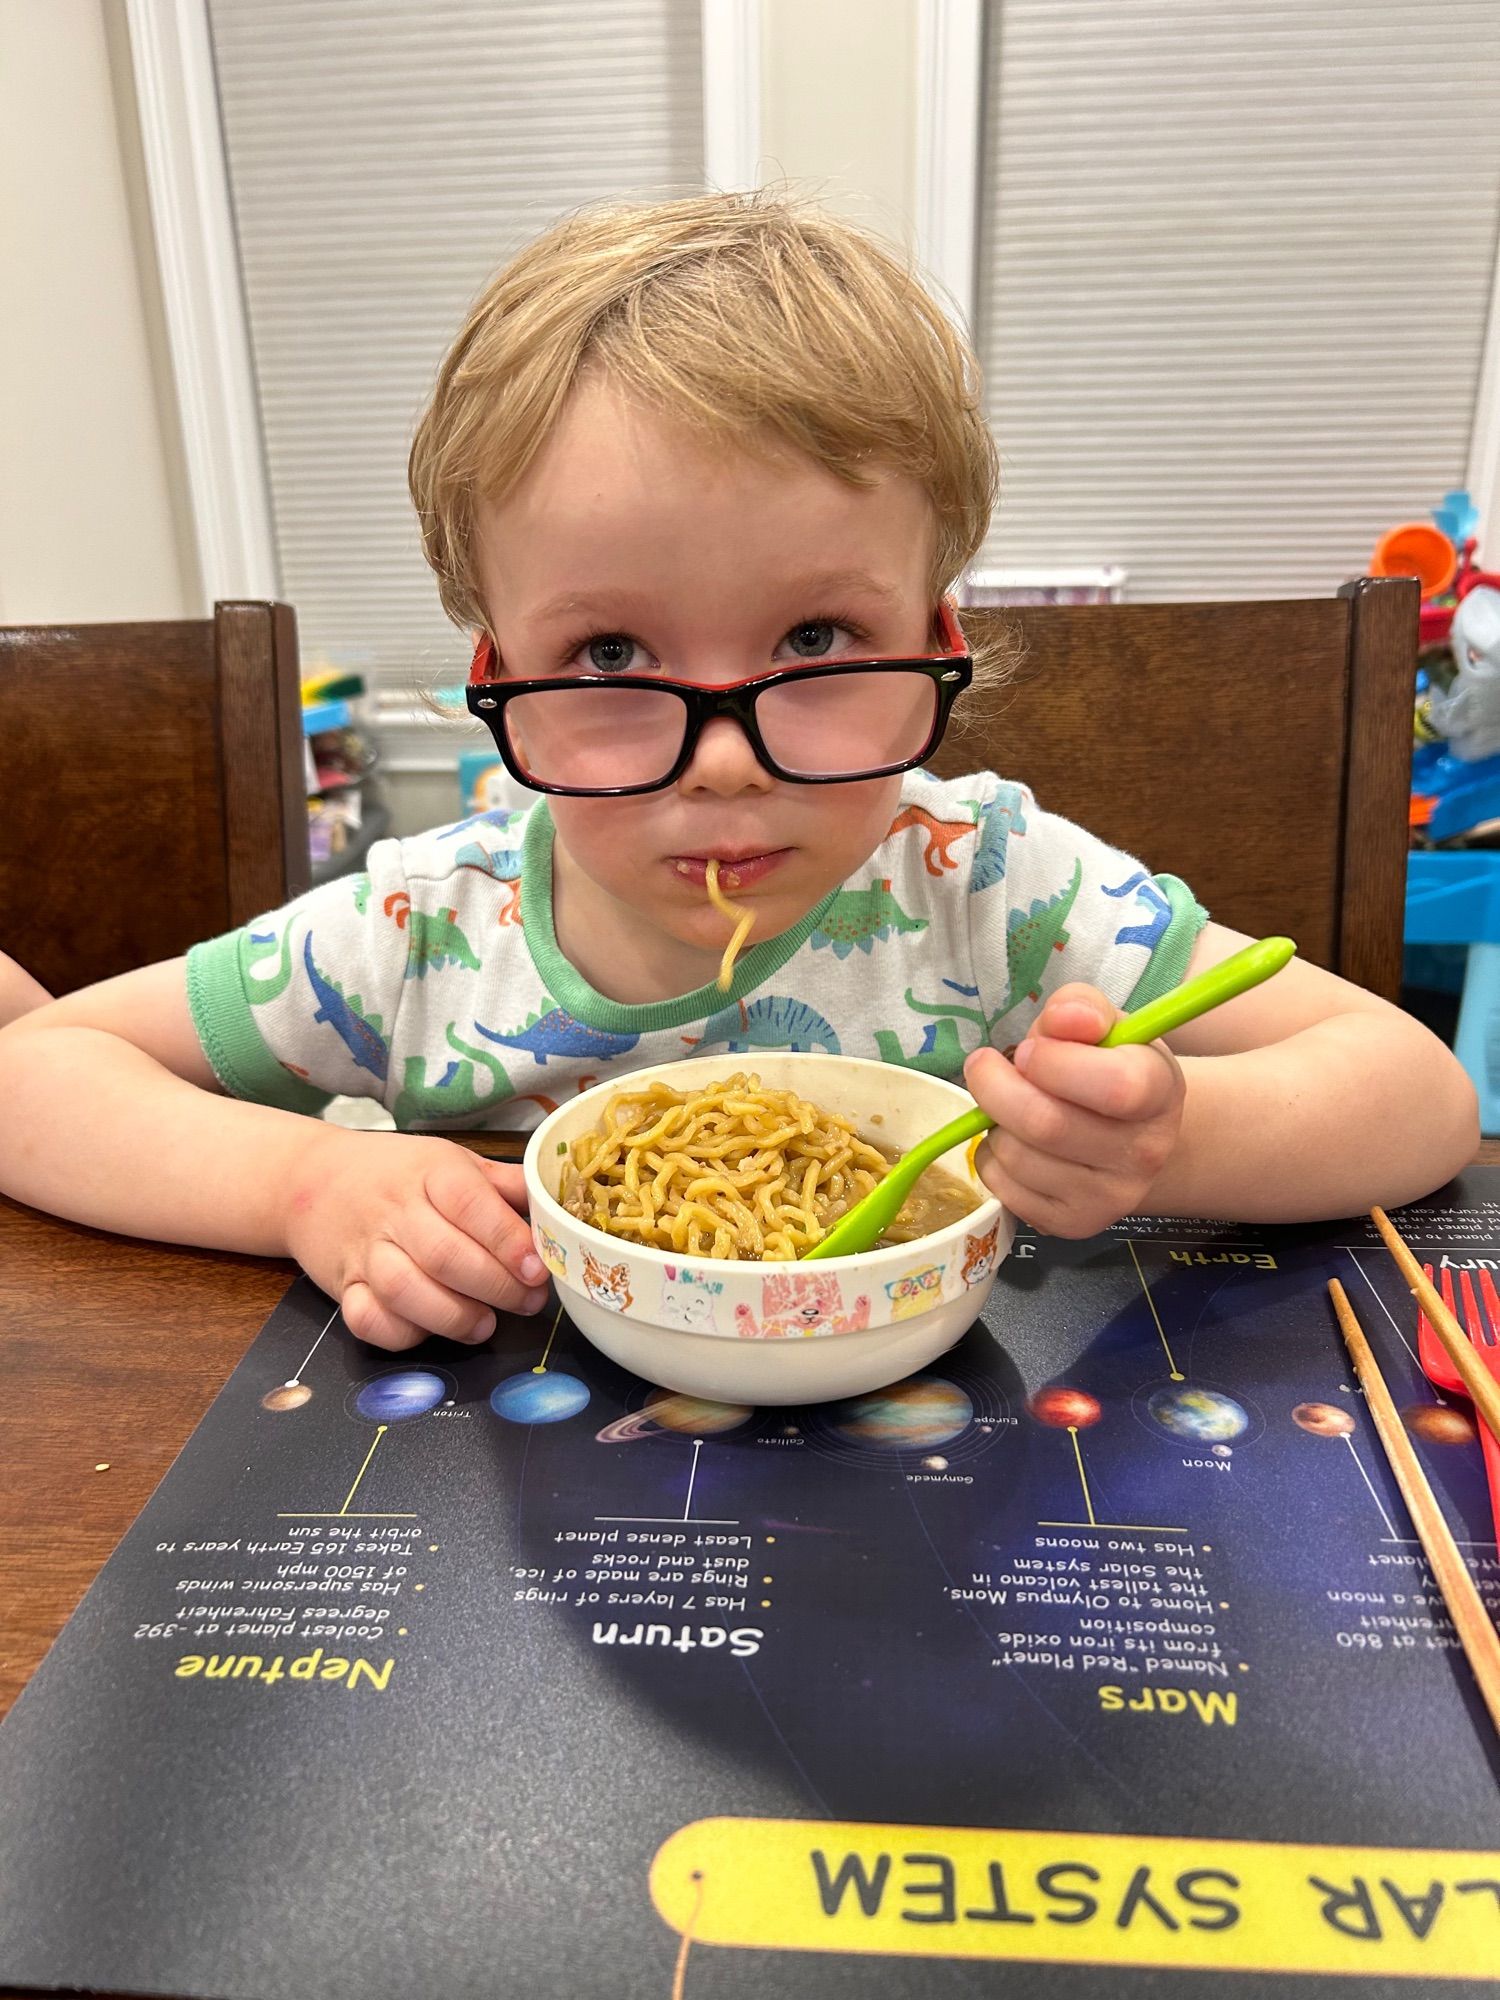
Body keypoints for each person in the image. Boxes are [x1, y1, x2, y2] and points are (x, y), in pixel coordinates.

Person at [0, 193, 1477, 1350]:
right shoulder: (417, 936)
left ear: (935, 635)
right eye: (605, 662)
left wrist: (1167, 1139)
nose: (718, 766)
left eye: (819, 635)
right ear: (492, 678)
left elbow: (1412, 1096)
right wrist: (306, 1185)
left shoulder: (990, 888)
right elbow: (30, 1077)